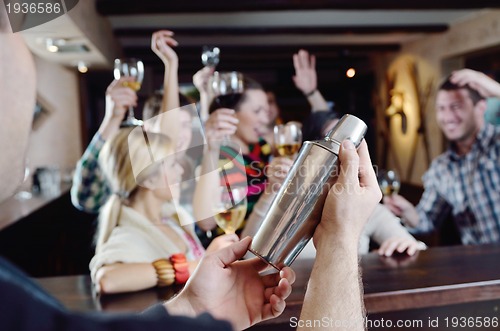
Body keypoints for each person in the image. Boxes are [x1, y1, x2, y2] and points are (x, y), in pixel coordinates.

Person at [0, 16, 296, 330]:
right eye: (5, 29)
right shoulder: (131, 226)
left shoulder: (169, 211)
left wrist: (195, 300)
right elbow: (106, 275)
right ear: (150, 175)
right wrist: (193, 267)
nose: (181, 164)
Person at [90, 128, 236, 294]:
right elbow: (107, 280)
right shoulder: (128, 235)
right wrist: (199, 264)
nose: (180, 171)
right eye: (173, 164)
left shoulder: (172, 218)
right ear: (150, 180)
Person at [384, 69, 500, 245]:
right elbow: (427, 221)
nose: (447, 117)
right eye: (441, 108)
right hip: (480, 268)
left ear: (481, 107)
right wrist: (407, 212)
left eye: (456, 107)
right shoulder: (442, 167)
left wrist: (494, 88)